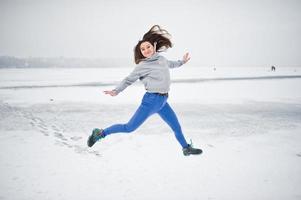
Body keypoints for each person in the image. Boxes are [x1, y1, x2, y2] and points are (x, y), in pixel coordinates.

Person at [87, 25, 202, 156]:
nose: (146, 50)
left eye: (147, 47)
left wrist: (182, 62)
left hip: (163, 101)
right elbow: (128, 79)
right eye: (142, 49)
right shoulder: (143, 66)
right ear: (140, 52)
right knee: (129, 127)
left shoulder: (162, 59)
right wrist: (116, 90)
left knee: (176, 127)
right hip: (151, 101)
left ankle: (186, 148)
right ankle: (100, 133)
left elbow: (172, 64)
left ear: (153, 46)